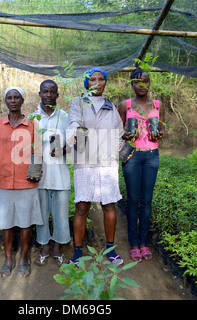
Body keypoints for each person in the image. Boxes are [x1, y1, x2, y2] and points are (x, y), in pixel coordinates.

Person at [67, 67, 125, 265]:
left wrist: (119, 149)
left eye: (101, 79)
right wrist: (74, 133)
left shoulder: (111, 106)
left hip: (107, 164)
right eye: (93, 80)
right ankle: (77, 252)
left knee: (109, 206)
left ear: (105, 83)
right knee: (82, 207)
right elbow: (73, 122)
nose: (97, 83)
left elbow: (119, 132)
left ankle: (110, 249)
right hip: (85, 162)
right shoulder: (78, 102)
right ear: (87, 83)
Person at [0, 86, 43, 277]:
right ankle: (8, 259)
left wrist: (36, 171)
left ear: (22, 101)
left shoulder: (32, 124)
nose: (13, 100)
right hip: (4, 182)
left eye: (16, 97)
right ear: (5, 101)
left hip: (26, 181)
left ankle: (24, 259)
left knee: (25, 223)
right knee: (6, 223)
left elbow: (38, 150)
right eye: (9, 98)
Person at [118, 67, 165, 262]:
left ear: (149, 83)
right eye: (137, 82)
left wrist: (160, 133)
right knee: (133, 199)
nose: (141, 85)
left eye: (145, 81)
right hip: (132, 157)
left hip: (152, 156)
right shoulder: (125, 105)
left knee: (147, 201)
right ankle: (134, 243)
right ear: (132, 84)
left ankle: (144, 242)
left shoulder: (157, 104)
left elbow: (162, 128)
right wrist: (125, 135)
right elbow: (119, 132)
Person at [31, 80, 71, 267]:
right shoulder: (32, 117)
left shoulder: (65, 117)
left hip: (60, 174)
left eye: (52, 92)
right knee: (41, 214)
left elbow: (77, 143)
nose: (48, 95)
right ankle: (44, 248)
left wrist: (64, 149)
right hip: (39, 174)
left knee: (60, 214)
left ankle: (57, 248)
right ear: (39, 93)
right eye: (45, 91)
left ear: (57, 94)